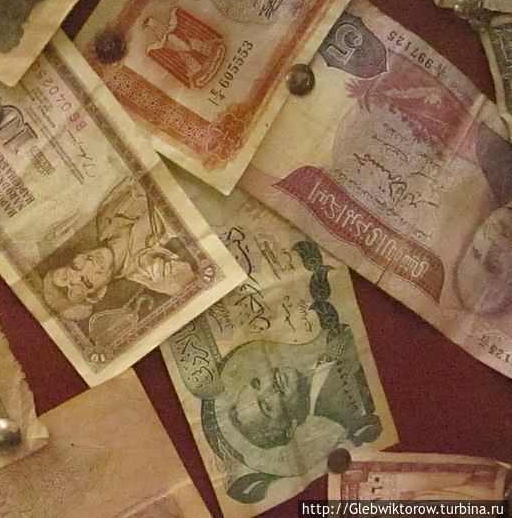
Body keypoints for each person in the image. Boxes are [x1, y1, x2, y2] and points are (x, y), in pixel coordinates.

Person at [42, 178, 195, 321]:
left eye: (75, 265)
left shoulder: (104, 217)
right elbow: (190, 283)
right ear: (100, 292)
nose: (88, 263)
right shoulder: (149, 271)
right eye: (87, 281)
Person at [221, 328, 380, 451]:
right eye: (266, 405)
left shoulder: (328, 344)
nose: (270, 386)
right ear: (290, 427)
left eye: (258, 384)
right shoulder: (358, 411)